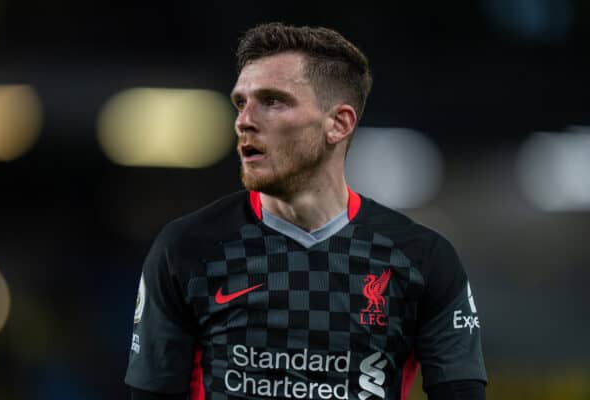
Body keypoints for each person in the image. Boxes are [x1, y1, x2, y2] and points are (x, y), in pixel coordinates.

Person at [124, 22, 487, 400]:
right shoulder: (187, 248)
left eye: (273, 101)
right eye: (241, 102)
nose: (245, 120)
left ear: (338, 124)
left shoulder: (422, 259)